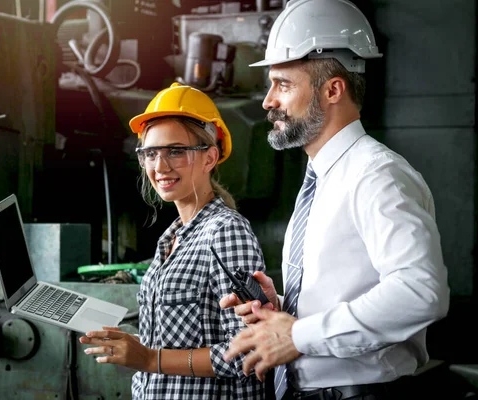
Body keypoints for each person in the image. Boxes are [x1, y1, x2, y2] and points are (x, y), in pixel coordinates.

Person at [219, 0, 450, 399]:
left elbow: (421, 291)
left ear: (332, 90)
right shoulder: (323, 179)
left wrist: (299, 335)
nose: (267, 101)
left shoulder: (376, 175)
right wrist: (285, 312)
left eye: (284, 84)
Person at [79, 82, 266, 399]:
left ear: (209, 158)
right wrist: (136, 343)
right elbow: (186, 335)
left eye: (176, 151)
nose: (160, 166)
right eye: (150, 153)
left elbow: (252, 350)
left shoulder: (225, 231)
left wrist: (150, 359)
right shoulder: (173, 235)